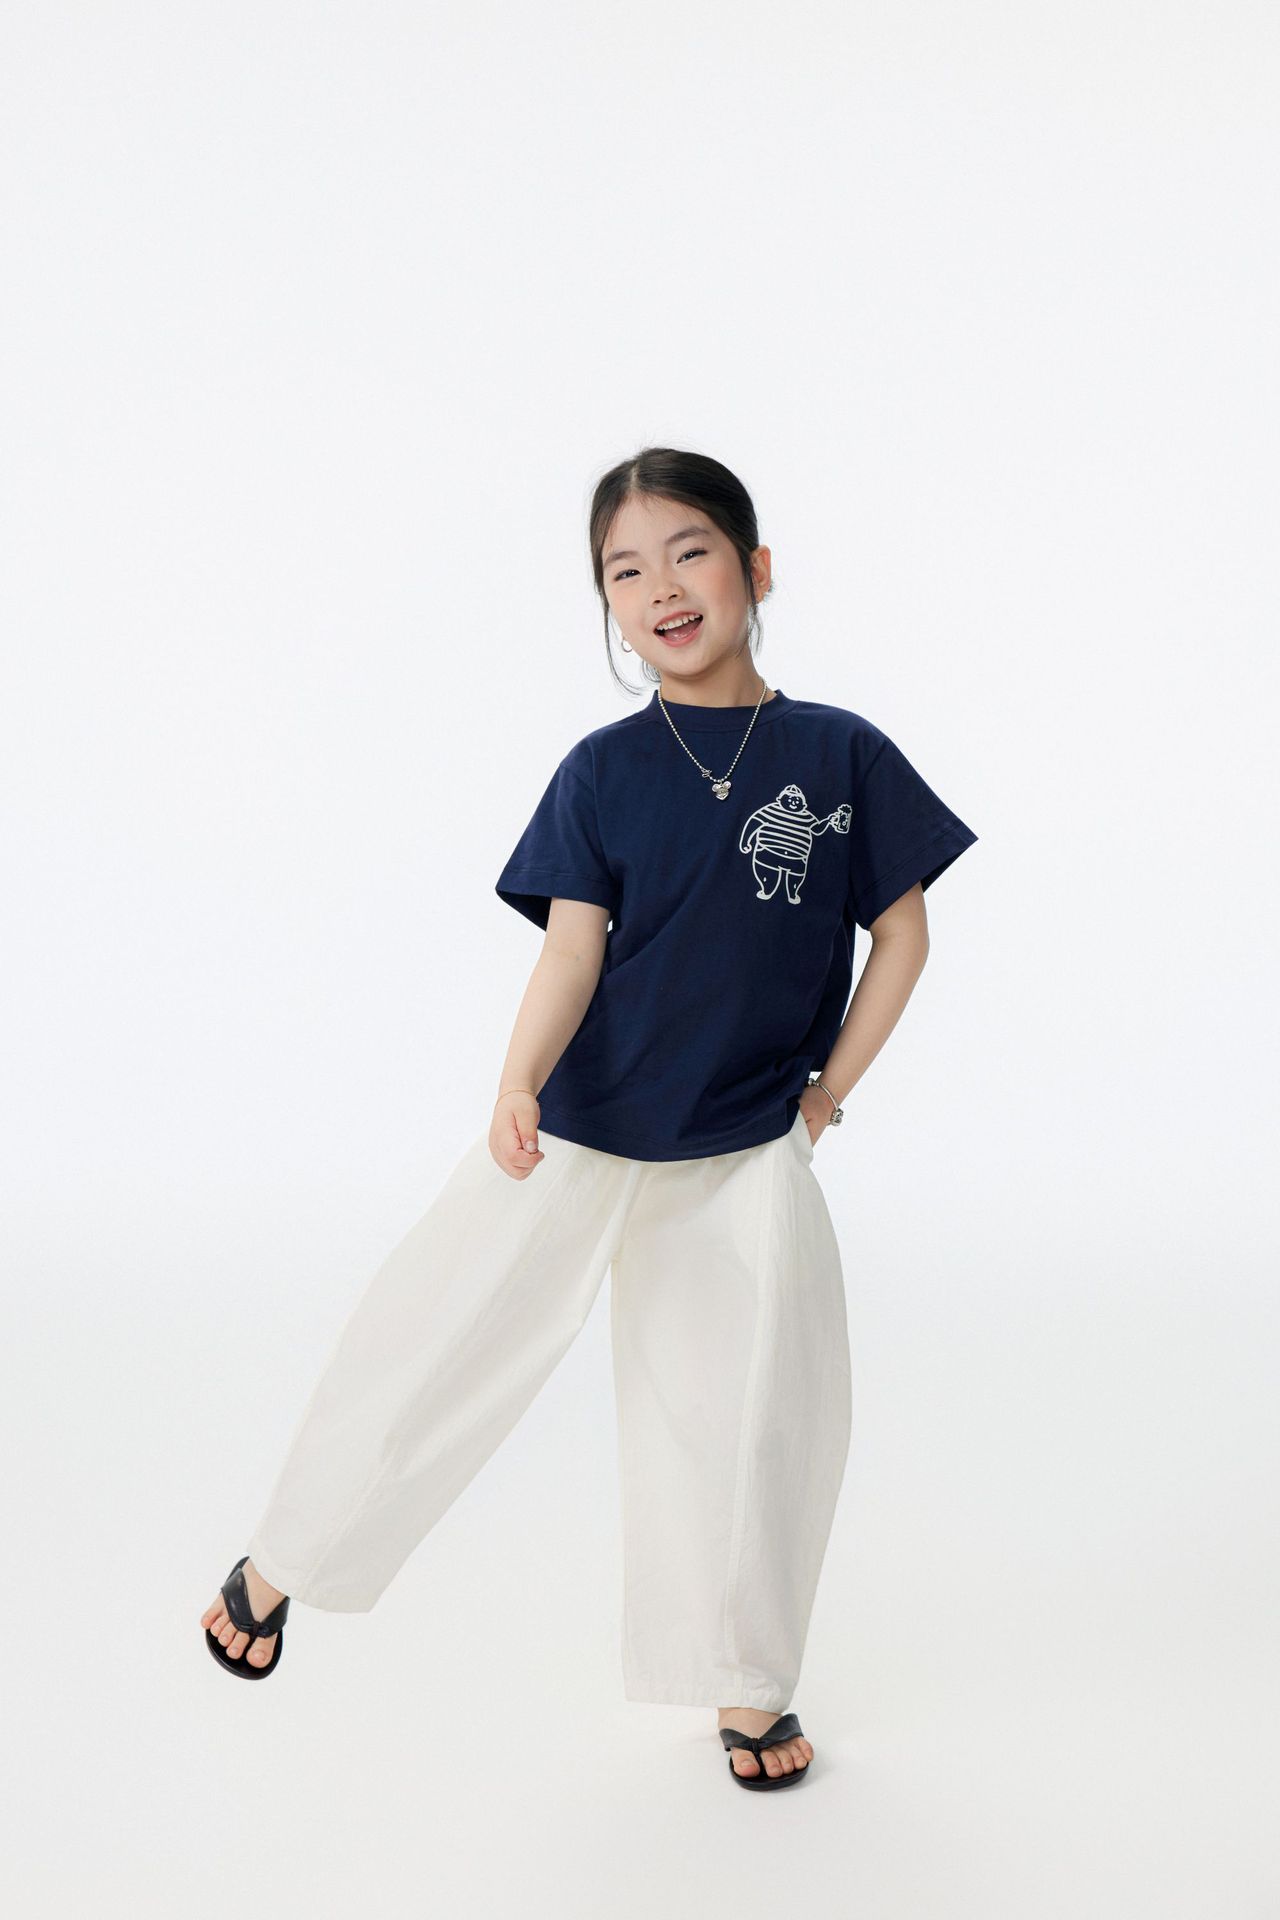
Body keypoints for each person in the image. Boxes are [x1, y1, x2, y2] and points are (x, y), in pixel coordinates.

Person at [200, 446, 979, 1791]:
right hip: (581, 1126)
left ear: (756, 568)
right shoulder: (602, 770)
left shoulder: (841, 752)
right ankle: (281, 1563)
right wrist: (516, 1084)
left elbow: (902, 934)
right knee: (438, 1341)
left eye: (689, 552)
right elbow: (572, 948)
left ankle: (747, 1684)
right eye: (625, 571)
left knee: (756, 1413)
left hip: (746, 1146)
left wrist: (826, 1096)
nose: (660, 588)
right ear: (608, 606)